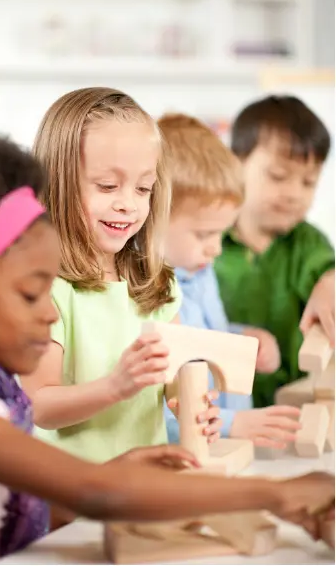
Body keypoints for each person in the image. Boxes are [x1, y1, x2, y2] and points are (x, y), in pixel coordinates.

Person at [0, 130, 333, 565]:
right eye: (30, 294)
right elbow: (95, 494)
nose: (49, 314)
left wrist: (114, 474)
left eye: (143, 187)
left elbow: (22, 510)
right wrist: (275, 494)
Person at [22, 88, 221, 463]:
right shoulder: (45, 289)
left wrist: (191, 405)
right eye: (108, 186)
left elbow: (174, 375)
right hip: (69, 497)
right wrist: (114, 387)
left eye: (143, 188)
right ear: (59, 184)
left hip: (142, 487)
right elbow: (39, 405)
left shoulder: (156, 283)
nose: (128, 203)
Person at [158, 113, 302, 449]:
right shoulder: (148, 294)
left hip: (231, 447)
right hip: (194, 454)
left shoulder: (200, 271)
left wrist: (243, 338)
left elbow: (206, 341)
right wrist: (233, 424)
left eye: (222, 232)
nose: (217, 247)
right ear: (154, 217)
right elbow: (153, 410)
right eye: (204, 233)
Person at [214, 96, 335, 407]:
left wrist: (329, 283)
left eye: (309, 182)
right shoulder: (207, 239)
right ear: (235, 163)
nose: (294, 193)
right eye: (278, 176)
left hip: (292, 404)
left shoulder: (307, 243)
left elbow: (329, 272)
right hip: (221, 408)